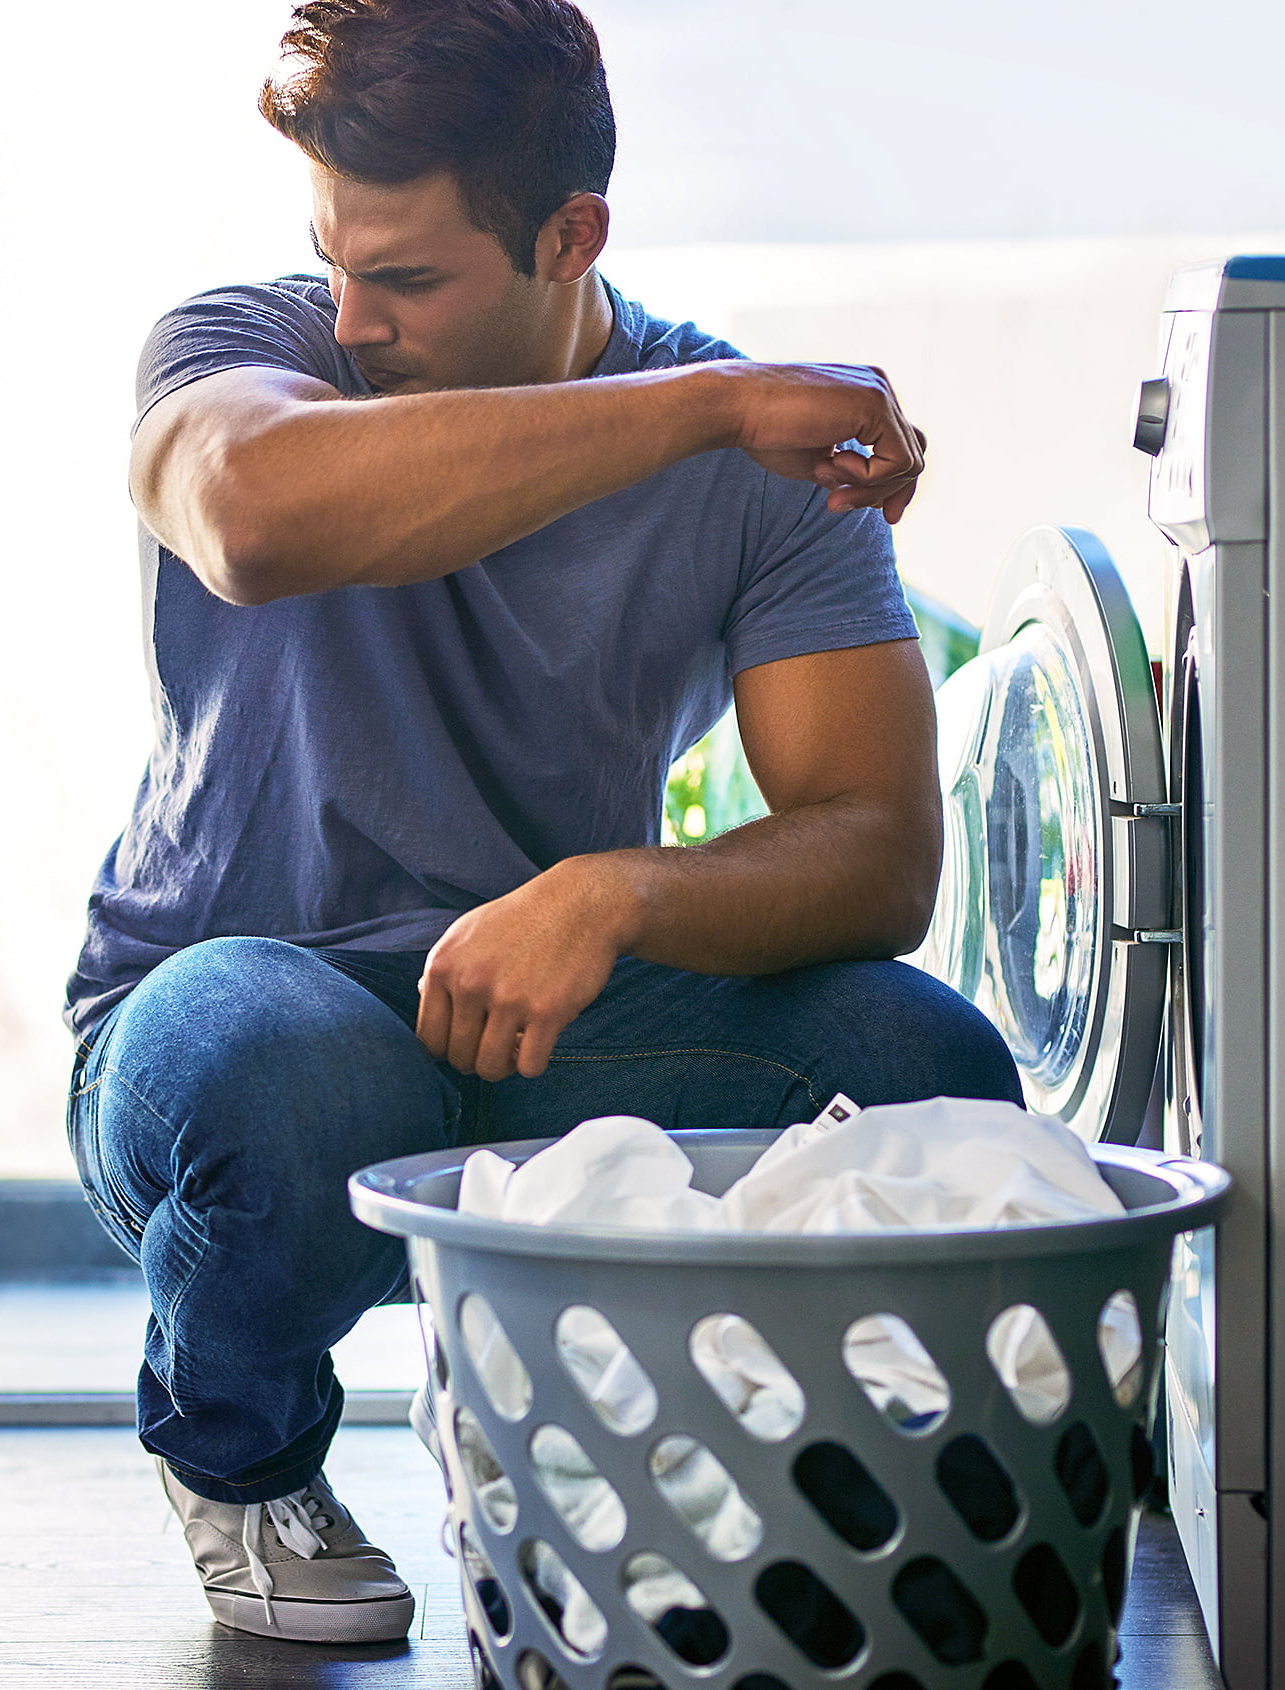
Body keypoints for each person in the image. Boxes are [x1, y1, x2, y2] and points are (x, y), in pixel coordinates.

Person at [64, 0, 1022, 1644]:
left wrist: (616, 893)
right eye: (336, 259)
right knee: (289, 1078)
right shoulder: (242, 349)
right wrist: (710, 408)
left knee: (930, 1071)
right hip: (226, 1006)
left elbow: (879, 849)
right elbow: (250, 514)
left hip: (546, 1014)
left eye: (411, 279)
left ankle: (795, 1496)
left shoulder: (755, 465)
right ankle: (242, 1459)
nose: (353, 321)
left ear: (572, 234)